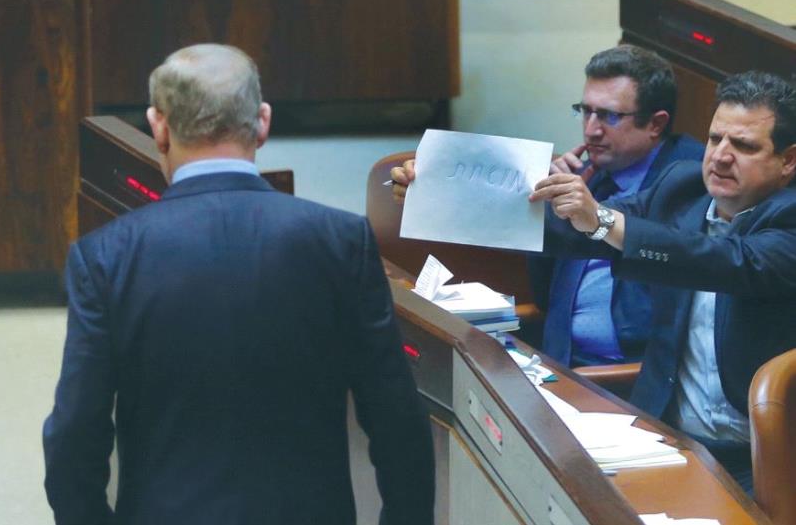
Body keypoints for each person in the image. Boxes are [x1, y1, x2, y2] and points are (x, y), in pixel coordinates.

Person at [43, 44, 435, 525]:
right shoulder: (341, 242)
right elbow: (397, 419)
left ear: (158, 127)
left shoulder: (106, 256)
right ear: (262, 122)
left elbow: (74, 437)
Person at [529, 70, 796, 491]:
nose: (721, 156)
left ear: (788, 161)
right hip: (670, 438)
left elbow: (727, 262)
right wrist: (446, 192)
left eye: (743, 146)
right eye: (715, 139)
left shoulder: (790, 219)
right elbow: (577, 228)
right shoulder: (681, 188)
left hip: (767, 459)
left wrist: (601, 221)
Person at [396, 45, 705, 368]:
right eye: (586, 111)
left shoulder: (684, 179)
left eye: (609, 116)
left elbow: (655, 307)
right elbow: (545, 295)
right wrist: (546, 203)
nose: (591, 129)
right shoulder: (590, 174)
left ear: (656, 124)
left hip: (625, 372)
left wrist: (584, 209)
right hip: (560, 363)